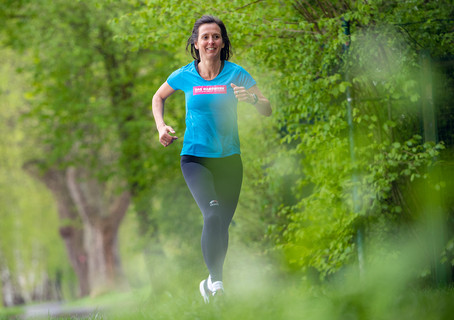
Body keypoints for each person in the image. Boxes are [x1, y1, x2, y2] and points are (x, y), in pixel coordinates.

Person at [152, 15, 271, 303]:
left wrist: (252, 100)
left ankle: (209, 282)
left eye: (215, 36)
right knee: (213, 214)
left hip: (230, 160)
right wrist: (161, 126)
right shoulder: (183, 75)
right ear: (195, 43)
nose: (210, 41)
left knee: (221, 225)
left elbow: (267, 108)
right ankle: (217, 284)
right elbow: (158, 98)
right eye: (205, 36)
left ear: (222, 42)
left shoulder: (237, 74)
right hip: (195, 159)